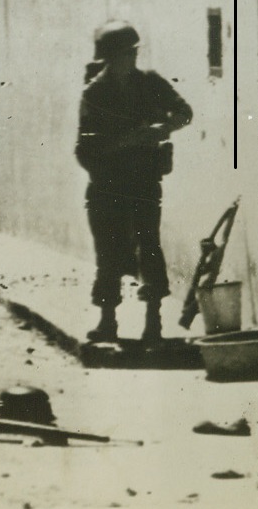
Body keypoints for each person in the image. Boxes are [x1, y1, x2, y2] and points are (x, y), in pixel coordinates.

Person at [75, 21, 193, 346]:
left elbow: (184, 111)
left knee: (149, 248)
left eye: (133, 52)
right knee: (108, 253)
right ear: (109, 57)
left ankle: (153, 323)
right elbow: (85, 149)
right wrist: (126, 140)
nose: (131, 58)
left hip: (144, 180)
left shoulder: (149, 83)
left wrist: (162, 128)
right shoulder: (95, 93)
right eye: (125, 53)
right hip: (107, 183)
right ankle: (107, 322)